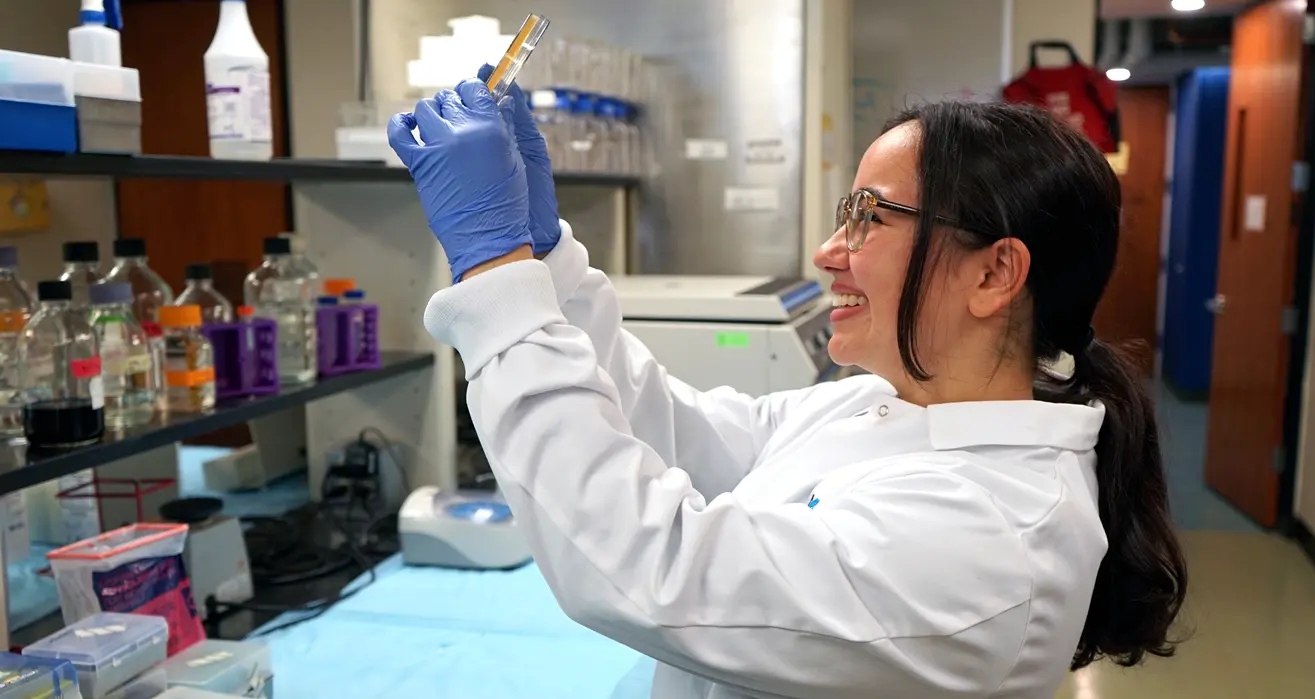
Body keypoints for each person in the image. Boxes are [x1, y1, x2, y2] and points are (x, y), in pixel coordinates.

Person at [387, 67, 1188, 699]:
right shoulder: (891, 401)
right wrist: (543, 254)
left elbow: (656, 572)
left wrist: (496, 277)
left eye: (870, 216)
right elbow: (678, 432)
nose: (830, 250)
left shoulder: (996, 534)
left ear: (995, 274)